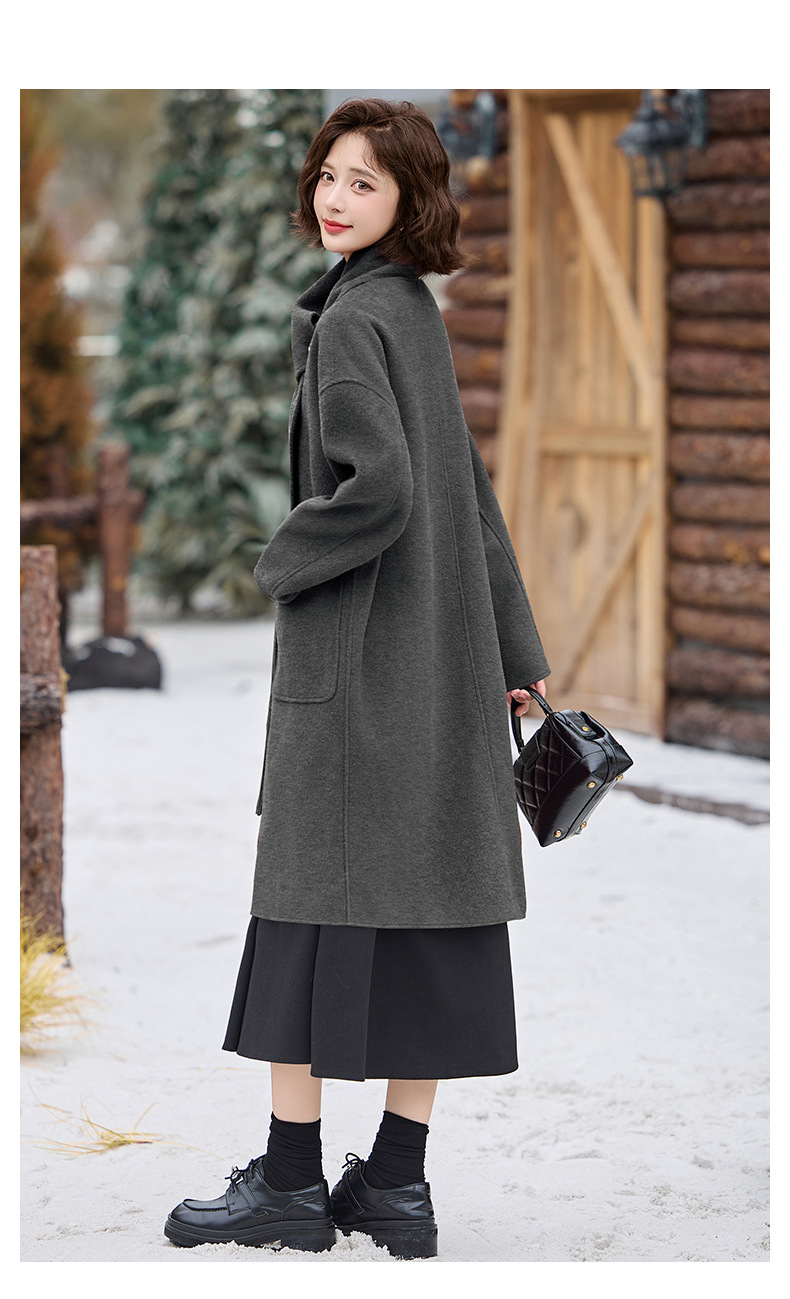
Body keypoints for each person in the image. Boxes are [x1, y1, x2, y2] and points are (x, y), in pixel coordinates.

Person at [165, 97, 549, 1260]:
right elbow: (469, 494)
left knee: (306, 905)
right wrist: (513, 655)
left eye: (364, 183)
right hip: (439, 664)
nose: (335, 198)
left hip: (361, 662)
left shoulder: (351, 322)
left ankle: (290, 1183)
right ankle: (396, 1184)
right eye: (328, 175)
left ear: (408, 200)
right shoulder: (407, 310)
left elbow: (383, 489)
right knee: (430, 905)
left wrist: (284, 560)